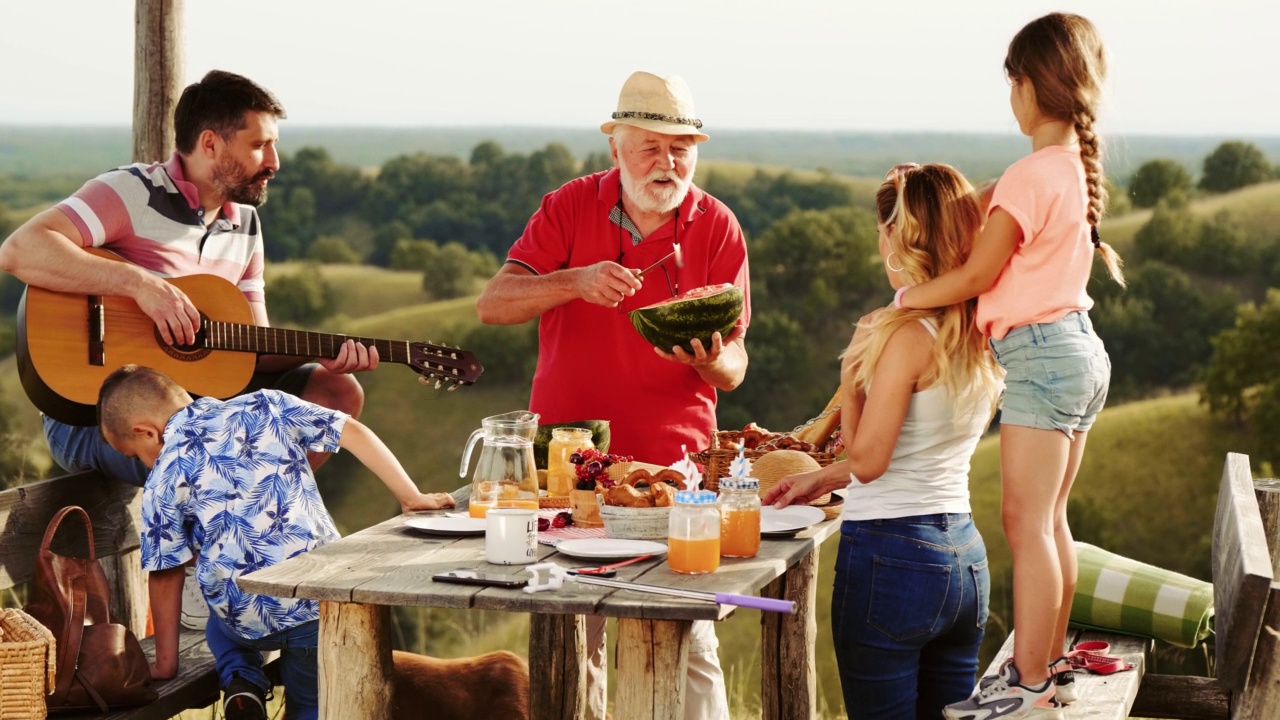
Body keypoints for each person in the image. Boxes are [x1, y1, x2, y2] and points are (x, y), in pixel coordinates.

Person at [0, 69, 378, 630]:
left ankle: (260, 554)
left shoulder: (245, 225)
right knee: (202, 433)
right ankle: (219, 573)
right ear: (209, 144)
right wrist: (140, 286)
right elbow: (19, 249)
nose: (273, 160)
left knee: (335, 391)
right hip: (89, 412)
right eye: (259, 144)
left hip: (197, 414)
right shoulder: (130, 192)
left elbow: (248, 351)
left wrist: (324, 355)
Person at [476, 70, 749, 720]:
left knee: (687, 633)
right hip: (576, 472)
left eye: (681, 145)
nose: (668, 160)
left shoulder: (716, 225)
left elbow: (736, 366)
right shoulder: (569, 206)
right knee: (578, 636)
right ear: (615, 147)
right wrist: (574, 280)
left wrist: (711, 359)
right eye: (650, 145)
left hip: (675, 473)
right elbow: (495, 304)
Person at [894, 14, 1124, 719]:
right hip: (1079, 351)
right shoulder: (1067, 171)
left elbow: (974, 276)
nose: (1010, 97)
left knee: (1025, 522)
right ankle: (1046, 666)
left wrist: (903, 299)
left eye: (1012, 83)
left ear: (1030, 86)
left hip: (1042, 356)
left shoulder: (1034, 173)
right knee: (1051, 520)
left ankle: (1027, 685)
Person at [764, 163, 1003, 720]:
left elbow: (869, 461)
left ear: (899, 236)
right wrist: (821, 477)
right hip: (964, 556)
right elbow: (915, 448)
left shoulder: (904, 336)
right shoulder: (978, 328)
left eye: (882, 227)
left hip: (892, 557)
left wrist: (851, 380)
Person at [96, 364, 455, 720]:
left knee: (218, 628)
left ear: (147, 433)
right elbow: (353, 431)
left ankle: (241, 678)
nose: (142, 464)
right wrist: (411, 496)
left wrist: (165, 663)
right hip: (317, 603)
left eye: (134, 456)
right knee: (311, 706)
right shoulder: (266, 405)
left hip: (243, 615)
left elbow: (166, 572)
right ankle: (277, 696)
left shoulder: (161, 479)